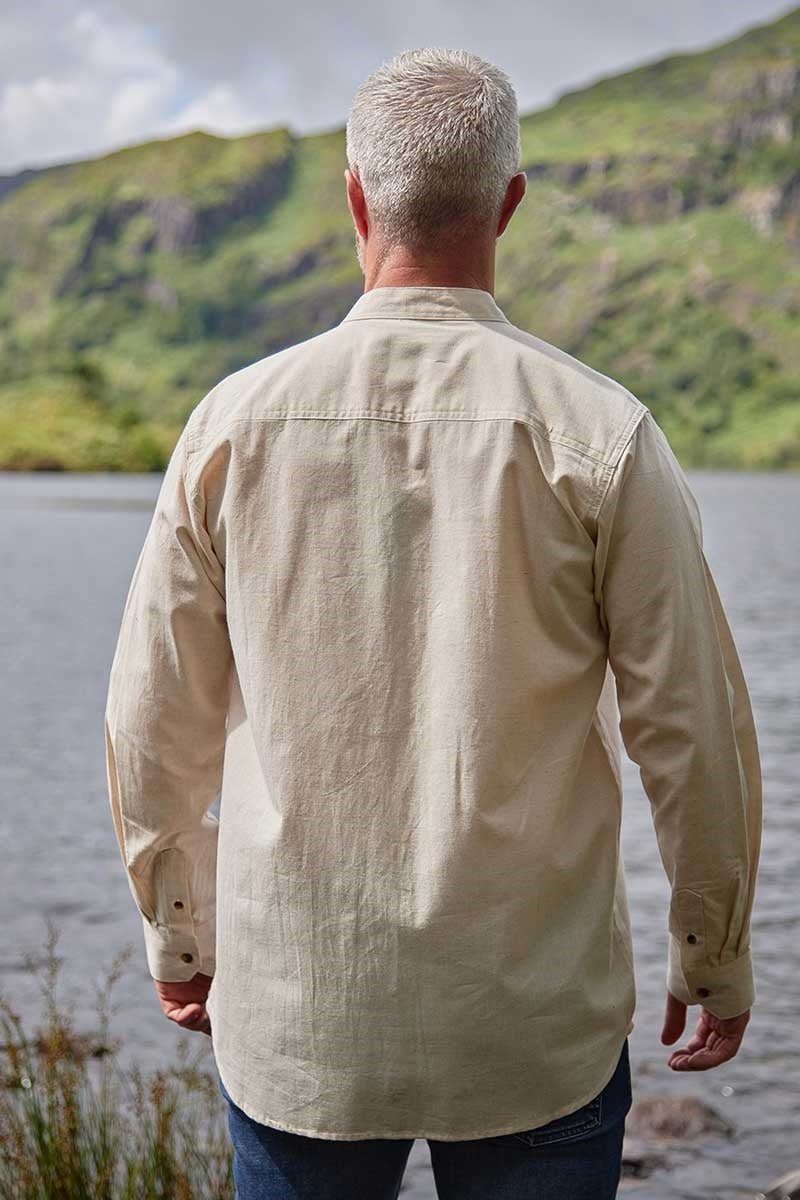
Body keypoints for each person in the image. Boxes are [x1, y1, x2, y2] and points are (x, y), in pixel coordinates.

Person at [103, 46, 762, 1200]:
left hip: (301, 1016)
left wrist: (180, 933)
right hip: (531, 1022)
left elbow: (152, 720)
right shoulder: (601, 436)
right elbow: (690, 730)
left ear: (354, 197)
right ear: (509, 204)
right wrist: (709, 951)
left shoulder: (229, 428)